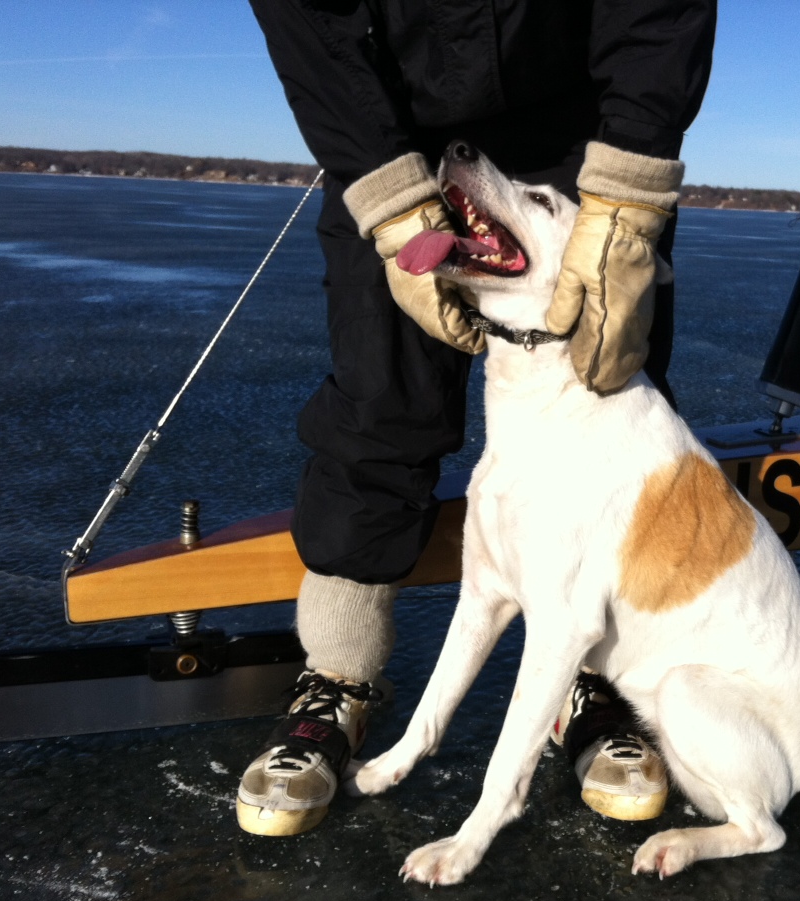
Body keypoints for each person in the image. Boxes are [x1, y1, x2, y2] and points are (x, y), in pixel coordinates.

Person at [236, 0, 716, 837]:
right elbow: (309, 19)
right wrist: (386, 197)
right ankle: (339, 675)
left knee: (606, 392)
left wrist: (630, 187)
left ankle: (588, 678)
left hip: (578, 133)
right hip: (393, 133)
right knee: (381, 406)